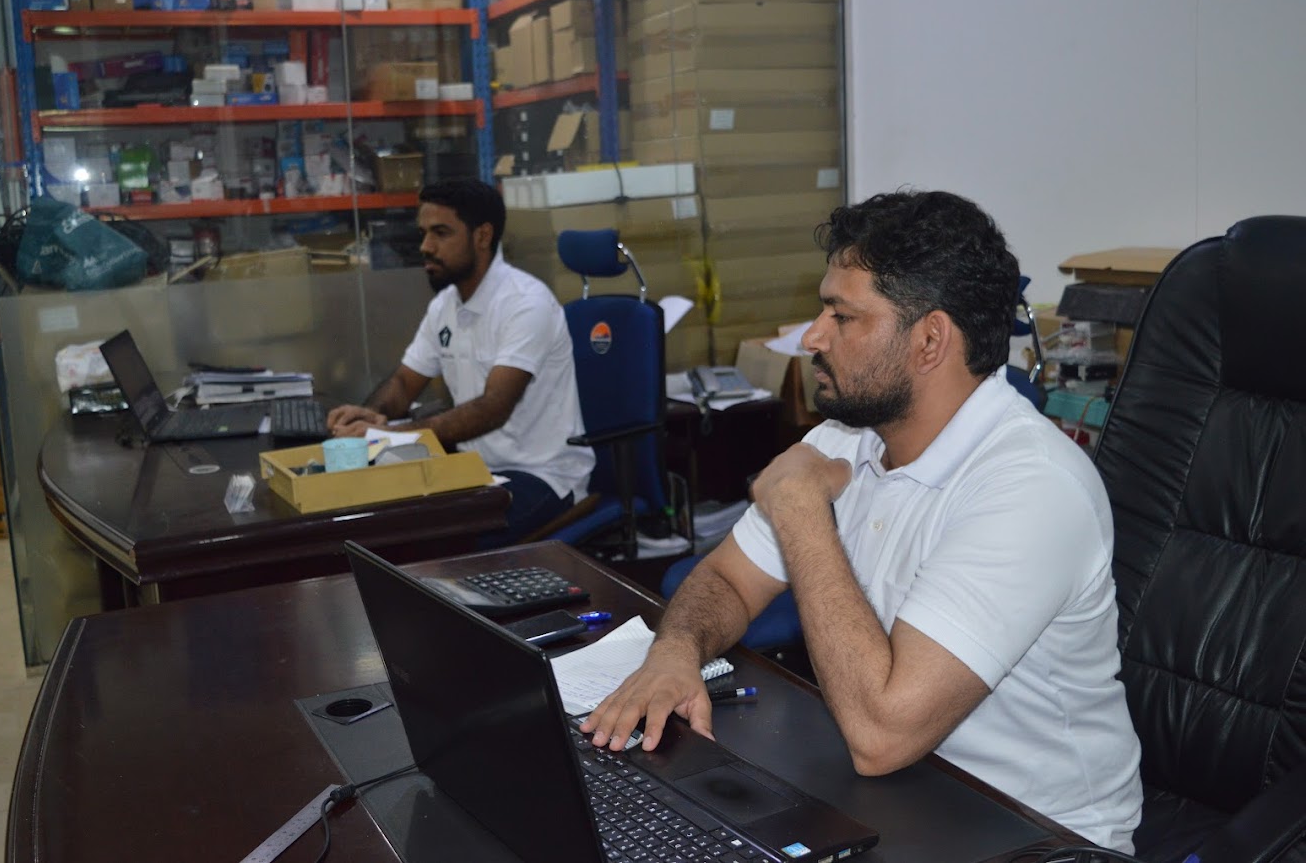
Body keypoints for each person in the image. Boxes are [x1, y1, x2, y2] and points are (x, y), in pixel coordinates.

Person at [580, 190, 1144, 851]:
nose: (813, 337)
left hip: (1036, 837)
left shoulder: (1032, 488)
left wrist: (800, 510)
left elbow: (882, 735)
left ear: (929, 340)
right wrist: (674, 656)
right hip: (903, 795)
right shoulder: (847, 437)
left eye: (841, 316)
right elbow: (727, 580)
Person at [326, 178, 594, 547]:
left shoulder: (526, 303)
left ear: (482, 236)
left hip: (542, 476)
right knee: (379, 520)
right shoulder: (446, 305)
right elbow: (403, 384)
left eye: (440, 233)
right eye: (423, 233)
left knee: (440, 541)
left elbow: (493, 408)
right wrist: (370, 415)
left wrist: (388, 436)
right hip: (474, 469)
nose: (425, 246)